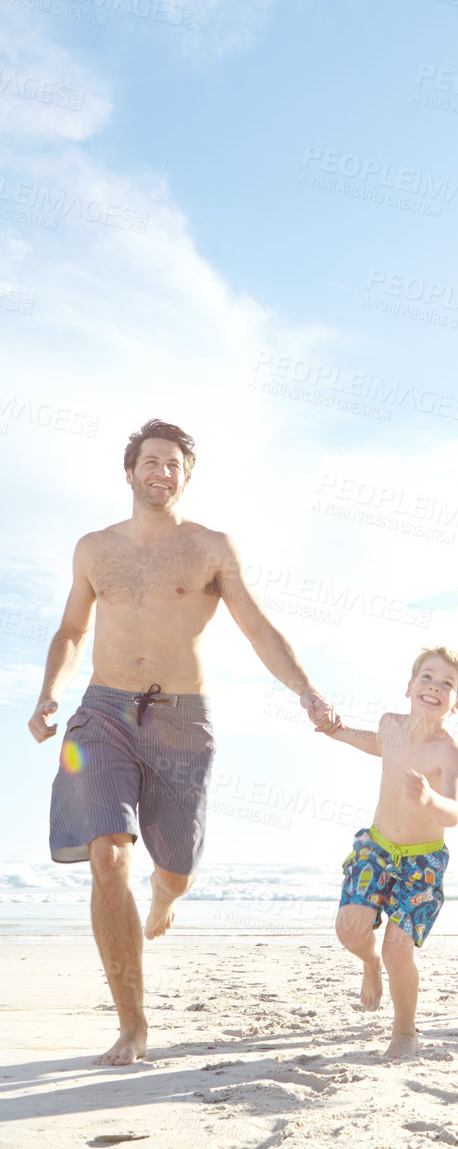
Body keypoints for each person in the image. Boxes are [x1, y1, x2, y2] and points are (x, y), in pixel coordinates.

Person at [27, 419, 335, 1067]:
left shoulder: (210, 548)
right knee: (108, 859)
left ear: (185, 476)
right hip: (103, 713)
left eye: (173, 464)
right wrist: (50, 690)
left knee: (176, 870)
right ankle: (132, 1024)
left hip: (181, 720)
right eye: (151, 462)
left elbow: (257, 628)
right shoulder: (93, 549)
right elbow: (71, 631)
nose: (161, 472)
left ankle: (167, 896)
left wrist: (305, 691)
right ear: (130, 469)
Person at [321, 646, 458, 1060]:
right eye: (427, 677)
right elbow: (378, 744)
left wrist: (429, 800)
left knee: (398, 950)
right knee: (349, 929)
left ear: (456, 703)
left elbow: (456, 811)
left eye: (447, 684)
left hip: (422, 862)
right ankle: (369, 963)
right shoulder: (390, 724)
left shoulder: (448, 752)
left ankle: (405, 1029)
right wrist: (336, 731)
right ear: (409, 686)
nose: (434, 687)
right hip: (377, 848)